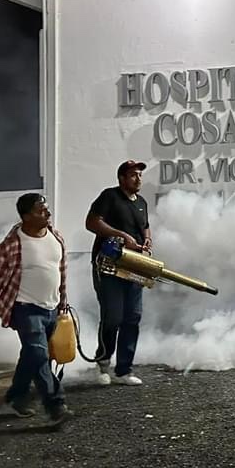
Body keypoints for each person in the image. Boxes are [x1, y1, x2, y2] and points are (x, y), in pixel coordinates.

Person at [0, 193, 72, 422]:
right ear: (26, 216)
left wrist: (63, 302)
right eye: (41, 211)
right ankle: (56, 405)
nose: (48, 213)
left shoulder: (56, 237)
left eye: (47, 209)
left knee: (31, 356)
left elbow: (61, 273)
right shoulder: (12, 245)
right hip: (24, 309)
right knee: (39, 354)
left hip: (51, 308)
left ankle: (16, 397)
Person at [85, 160, 152, 386]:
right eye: (133, 175)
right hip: (109, 265)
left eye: (140, 175)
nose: (138, 179)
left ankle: (124, 370)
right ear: (121, 178)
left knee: (132, 316)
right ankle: (103, 363)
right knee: (113, 316)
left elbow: (145, 226)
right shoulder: (109, 196)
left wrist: (147, 239)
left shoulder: (141, 202)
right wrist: (121, 235)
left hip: (134, 265)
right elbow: (92, 222)